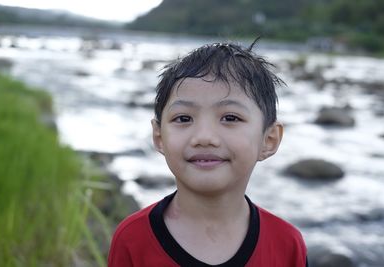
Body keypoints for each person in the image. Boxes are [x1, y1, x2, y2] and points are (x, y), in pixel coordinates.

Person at [108, 40, 308, 267]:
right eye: (183, 118)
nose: (204, 137)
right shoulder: (133, 239)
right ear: (159, 137)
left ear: (268, 140)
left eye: (230, 118)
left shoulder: (286, 244)